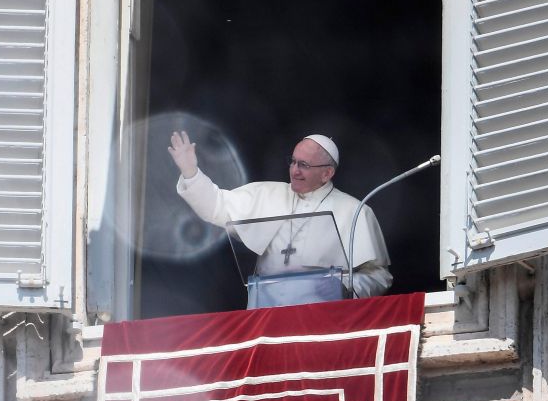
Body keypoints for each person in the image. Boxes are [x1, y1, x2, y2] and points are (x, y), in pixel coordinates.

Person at [168, 130, 392, 306]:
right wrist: (191, 173)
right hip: (267, 313)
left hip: (321, 319)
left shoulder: (354, 211)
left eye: (304, 165)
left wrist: (344, 285)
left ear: (327, 173)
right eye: (293, 161)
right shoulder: (266, 194)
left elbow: (379, 276)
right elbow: (216, 206)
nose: (294, 170)